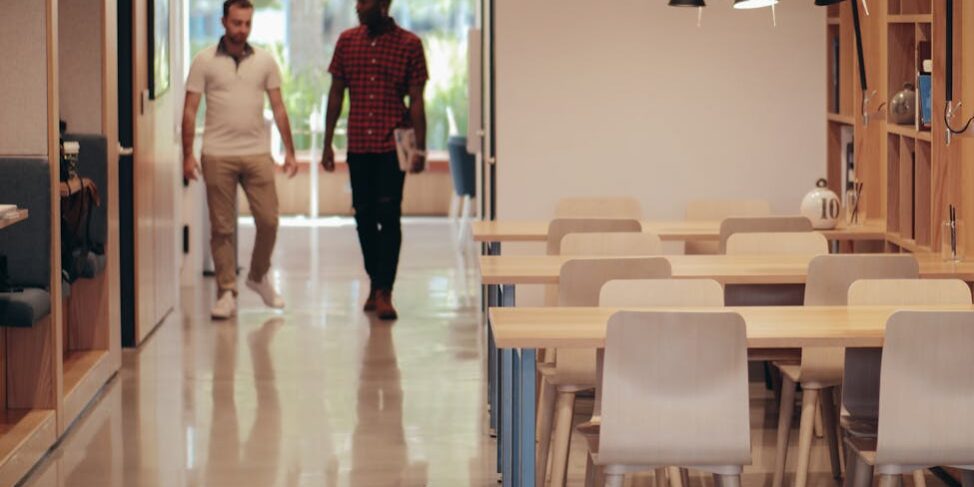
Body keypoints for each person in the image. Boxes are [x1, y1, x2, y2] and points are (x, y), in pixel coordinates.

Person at [182, 0, 298, 319]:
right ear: (223, 21)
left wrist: (289, 150)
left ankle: (258, 276)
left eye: (247, 23)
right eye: (236, 23)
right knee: (221, 228)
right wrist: (187, 155)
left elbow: (279, 108)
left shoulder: (265, 62)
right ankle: (226, 291)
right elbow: (190, 111)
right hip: (217, 154)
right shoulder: (204, 61)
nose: (242, 30)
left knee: (269, 221)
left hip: (257, 153)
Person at [322, 0, 429, 321]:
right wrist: (327, 144)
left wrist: (420, 149)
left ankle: (384, 291)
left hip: (391, 145)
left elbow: (417, 101)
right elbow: (336, 94)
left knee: (389, 215)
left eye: (365, 1)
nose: (358, 6)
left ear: (383, 4)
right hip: (359, 145)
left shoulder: (409, 44)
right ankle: (376, 281)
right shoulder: (347, 41)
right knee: (363, 216)